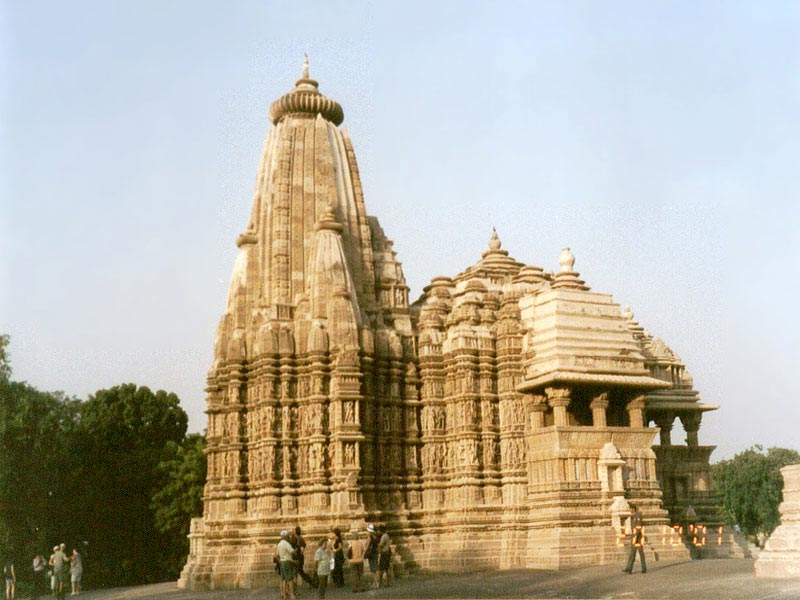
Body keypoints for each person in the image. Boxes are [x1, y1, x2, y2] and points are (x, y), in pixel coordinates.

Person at [623, 505, 647, 574]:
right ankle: (629, 568)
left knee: (640, 553)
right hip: (634, 537)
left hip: (638, 538)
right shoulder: (633, 516)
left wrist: (635, 536)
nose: (629, 510)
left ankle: (643, 568)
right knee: (632, 553)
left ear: (633, 509)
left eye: (629, 508)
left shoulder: (638, 515)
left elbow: (638, 527)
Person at [275, 530, 296, 600]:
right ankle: (292, 595)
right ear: (286, 536)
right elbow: (292, 551)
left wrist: (280, 560)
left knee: (283, 579)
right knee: (290, 579)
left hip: (282, 562)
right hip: (287, 562)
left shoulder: (279, 544)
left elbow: (276, 555)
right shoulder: (286, 544)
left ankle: (284, 595)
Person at [365, 524, 379, 589]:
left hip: (371, 554)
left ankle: (376, 582)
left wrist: (364, 553)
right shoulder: (375, 537)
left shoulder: (369, 537)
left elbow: (367, 546)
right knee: (375, 568)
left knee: (372, 569)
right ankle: (374, 583)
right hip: (375, 553)